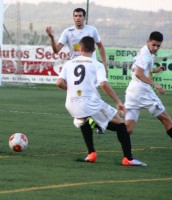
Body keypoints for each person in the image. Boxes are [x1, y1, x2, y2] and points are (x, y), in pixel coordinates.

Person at [56, 36, 147, 166]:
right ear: (94, 49)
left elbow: (59, 82)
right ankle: (128, 158)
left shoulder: (69, 63)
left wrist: (71, 91)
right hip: (90, 103)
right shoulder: (96, 65)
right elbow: (103, 84)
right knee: (120, 124)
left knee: (84, 120)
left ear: (80, 48)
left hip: (71, 104)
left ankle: (91, 153)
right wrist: (118, 102)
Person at [124, 31, 172, 139]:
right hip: (143, 91)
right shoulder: (145, 55)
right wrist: (156, 85)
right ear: (148, 42)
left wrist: (155, 70)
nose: (155, 48)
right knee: (167, 120)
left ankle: (104, 124)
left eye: (158, 46)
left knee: (128, 129)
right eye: (153, 45)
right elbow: (138, 73)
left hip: (132, 92)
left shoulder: (145, 51)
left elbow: (143, 70)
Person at [46, 7, 107, 76]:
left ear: (84, 17)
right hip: (75, 65)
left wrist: (104, 65)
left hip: (90, 65)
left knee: (91, 86)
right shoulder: (67, 32)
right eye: (76, 16)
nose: (78, 18)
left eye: (80, 16)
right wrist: (52, 38)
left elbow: (100, 47)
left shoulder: (92, 30)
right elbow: (56, 50)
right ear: (73, 17)